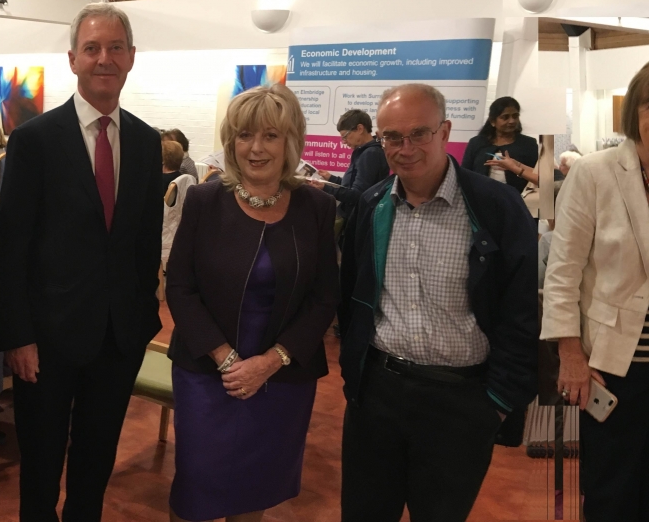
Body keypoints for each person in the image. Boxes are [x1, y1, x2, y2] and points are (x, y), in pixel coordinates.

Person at [0, 3, 163, 522]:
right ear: (73, 59)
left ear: (131, 58)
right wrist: (18, 336)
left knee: (95, 465)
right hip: (46, 343)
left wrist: (141, 322)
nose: (104, 58)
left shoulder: (145, 141)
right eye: (92, 48)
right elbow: (11, 246)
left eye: (115, 48)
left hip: (118, 340)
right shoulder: (34, 140)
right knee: (41, 469)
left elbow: (144, 243)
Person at [339, 84, 538, 522]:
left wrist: (497, 403)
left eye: (419, 134)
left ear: (445, 131)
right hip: (378, 397)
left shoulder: (495, 208)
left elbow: (521, 313)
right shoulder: (373, 205)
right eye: (392, 136)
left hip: (462, 403)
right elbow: (351, 297)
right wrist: (356, 379)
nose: (404, 148)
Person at [165, 83, 339, 522]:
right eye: (244, 135)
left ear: (291, 142)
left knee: (255, 488)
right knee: (196, 488)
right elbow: (180, 288)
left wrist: (269, 362)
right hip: (208, 374)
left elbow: (323, 298)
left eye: (270, 136)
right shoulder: (205, 200)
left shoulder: (317, 206)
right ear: (230, 142)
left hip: (282, 377)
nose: (255, 148)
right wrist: (227, 361)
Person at [541, 62, 649, 521]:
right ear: (634, 113)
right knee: (615, 491)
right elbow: (562, 270)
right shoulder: (596, 172)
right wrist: (570, 354)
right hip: (617, 364)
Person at [307, 109, 389, 246]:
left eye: (345, 136)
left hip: (359, 221)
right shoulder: (364, 152)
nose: (344, 141)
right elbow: (352, 186)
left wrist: (325, 188)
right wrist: (331, 178)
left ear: (360, 128)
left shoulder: (370, 154)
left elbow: (358, 195)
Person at [462, 96, 539, 192]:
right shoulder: (476, 143)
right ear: (493, 121)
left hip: (517, 201)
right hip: (480, 200)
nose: (512, 121)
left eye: (515, 116)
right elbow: (464, 174)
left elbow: (538, 177)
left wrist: (516, 167)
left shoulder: (529, 144)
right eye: (505, 117)